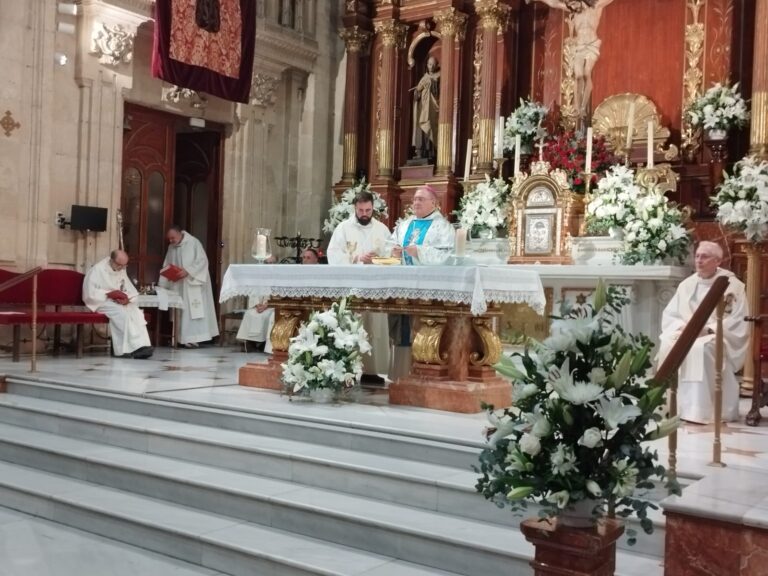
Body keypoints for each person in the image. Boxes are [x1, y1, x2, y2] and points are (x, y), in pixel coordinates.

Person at [657, 241, 750, 424]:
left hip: (716, 334)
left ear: (718, 261)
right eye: (697, 256)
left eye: (704, 257)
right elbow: (671, 314)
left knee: (701, 348)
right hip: (687, 331)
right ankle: (674, 407)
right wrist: (680, 327)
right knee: (669, 343)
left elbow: (737, 320)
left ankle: (701, 411)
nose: (699, 261)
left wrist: (708, 329)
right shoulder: (687, 285)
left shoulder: (732, 286)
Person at [327, 191, 392, 381]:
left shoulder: (382, 229)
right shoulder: (343, 228)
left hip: (375, 289)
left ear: (373, 208)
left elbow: (392, 257)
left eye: (368, 210)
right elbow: (333, 255)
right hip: (351, 288)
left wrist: (377, 259)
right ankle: (348, 370)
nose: (364, 214)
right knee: (352, 327)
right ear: (355, 208)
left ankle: (372, 371)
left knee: (375, 328)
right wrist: (356, 258)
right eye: (361, 210)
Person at [529, 0, 615, 118]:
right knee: (578, 76)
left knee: (586, 74)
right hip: (579, 45)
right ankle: (577, 106)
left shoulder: (595, 7)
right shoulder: (574, 9)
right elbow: (554, 3)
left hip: (591, 44)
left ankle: (583, 107)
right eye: (570, 5)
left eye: (573, 3)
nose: (572, 7)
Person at [82, 250, 153, 359]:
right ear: (111, 260)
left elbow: (129, 289)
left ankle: (143, 345)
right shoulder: (97, 270)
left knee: (135, 311)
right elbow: (89, 293)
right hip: (102, 302)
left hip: (118, 302)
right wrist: (108, 294)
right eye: (119, 265)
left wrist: (128, 299)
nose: (122, 268)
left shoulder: (121, 269)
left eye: (124, 266)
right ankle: (126, 350)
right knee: (121, 314)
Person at [158, 226, 219, 348]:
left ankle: (195, 338)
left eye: (172, 238)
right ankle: (181, 338)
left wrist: (188, 271)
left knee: (193, 311)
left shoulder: (193, 242)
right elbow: (167, 264)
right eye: (169, 239)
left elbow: (202, 261)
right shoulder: (171, 247)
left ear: (180, 234)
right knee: (181, 311)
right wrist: (167, 277)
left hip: (193, 283)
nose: (171, 241)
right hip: (179, 284)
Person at [390, 185, 454, 265]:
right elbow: (390, 244)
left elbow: (448, 255)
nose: (416, 203)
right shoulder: (404, 225)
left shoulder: (443, 227)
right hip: (402, 274)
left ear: (433, 203)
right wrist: (394, 252)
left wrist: (419, 252)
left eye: (420, 199)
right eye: (414, 199)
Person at [412, 56, 440, 159]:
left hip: (432, 107)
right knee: (421, 127)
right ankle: (420, 151)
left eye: (433, 64)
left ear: (436, 65)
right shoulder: (424, 78)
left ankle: (430, 152)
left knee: (431, 127)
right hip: (422, 107)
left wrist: (432, 83)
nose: (431, 66)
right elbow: (416, 94)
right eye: (429, 64)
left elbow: (437, 92)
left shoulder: (438, 76)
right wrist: (418, 91)